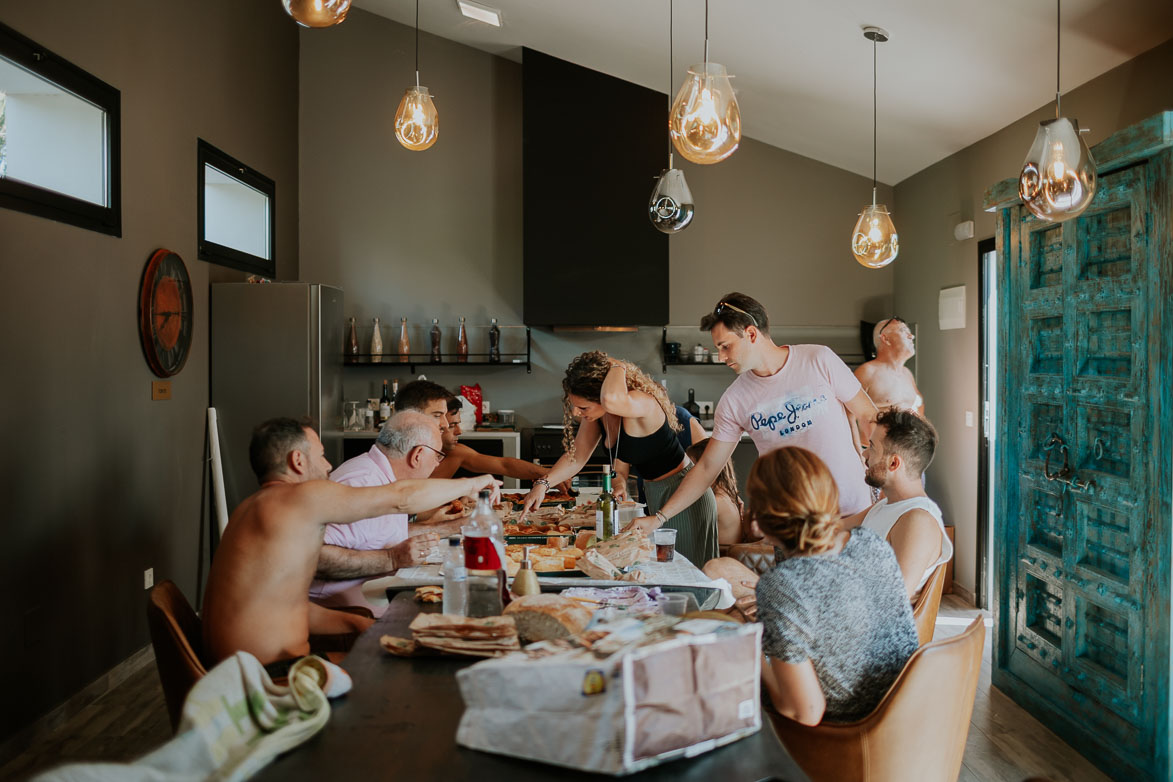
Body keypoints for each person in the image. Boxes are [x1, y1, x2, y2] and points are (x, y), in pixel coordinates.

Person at [202, 417, 499, 666]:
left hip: (248, 666)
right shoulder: (299, 498)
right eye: (320, 455)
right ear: (297, 461)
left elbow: (283, 605)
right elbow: (401, 498)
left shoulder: (251, 508)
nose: (329, 465)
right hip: (267, 675)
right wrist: (472, 483)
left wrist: (355, 623)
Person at [631, 292, 879, 536]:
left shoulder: (819, 359)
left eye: (725, 346)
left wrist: (888, 479)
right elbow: (707, 468)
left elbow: (869, 417)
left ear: (751, 333)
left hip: (856, 513)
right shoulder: (734, 400)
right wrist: (660, 517)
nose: (721, 357)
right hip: (794, 528)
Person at [749, 447, 917, 725]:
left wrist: (750, 651)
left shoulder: (782, 585)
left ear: (763, 518)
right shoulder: (870, 542)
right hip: (904, 716)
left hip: (845, 733)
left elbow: (806, 712)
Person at [522, 351, 719, 564]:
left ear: (603, 398)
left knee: (689, 577)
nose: (576, 413)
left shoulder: (640, 402)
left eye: (583, 407)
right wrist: (543, 484)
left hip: (685, 494)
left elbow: (611, 398)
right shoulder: (600, 415)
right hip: (655, 494)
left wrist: (617, 365)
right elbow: (576, 457)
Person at [308, 410, 463, 616]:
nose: (437, 464)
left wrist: (452, 528)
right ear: (417, 456)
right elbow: (314, 557)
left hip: (372, 598)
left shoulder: (384, 474)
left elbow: (379, 534)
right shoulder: (360, 481)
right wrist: (392, 558)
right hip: (343, 613)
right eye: (437, 456)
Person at [842, 408, 952, 602]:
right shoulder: (886, 505)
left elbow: (893, 600)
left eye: (872, 447)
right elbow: (831, 529)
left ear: (893, 463)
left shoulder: (918, 520)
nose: (865, 455)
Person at [430, 396, 567, 491]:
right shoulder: (413, 458)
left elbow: (505, 465)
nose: (459, 432)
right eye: (453, 425)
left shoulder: (456, 453)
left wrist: (549, 474)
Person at [613, 404, 706, 501]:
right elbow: (618, 471)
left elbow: (708, 465)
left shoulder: (684, 420)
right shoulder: (630, 421)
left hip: (689, 498)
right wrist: (619, 485)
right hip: (650, 498)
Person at [854, 317, 924, 415]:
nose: (911, 336)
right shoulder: (866, 372)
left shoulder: (907, 374)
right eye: (903, 331)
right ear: (885, 339)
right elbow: (850, 417)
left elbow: (919, 410)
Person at [684, 439, 744, 548]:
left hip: (722, 556)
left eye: (691, 468)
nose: (688, 474)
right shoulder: (726, 495)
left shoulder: (716, 501)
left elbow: (688, 531)